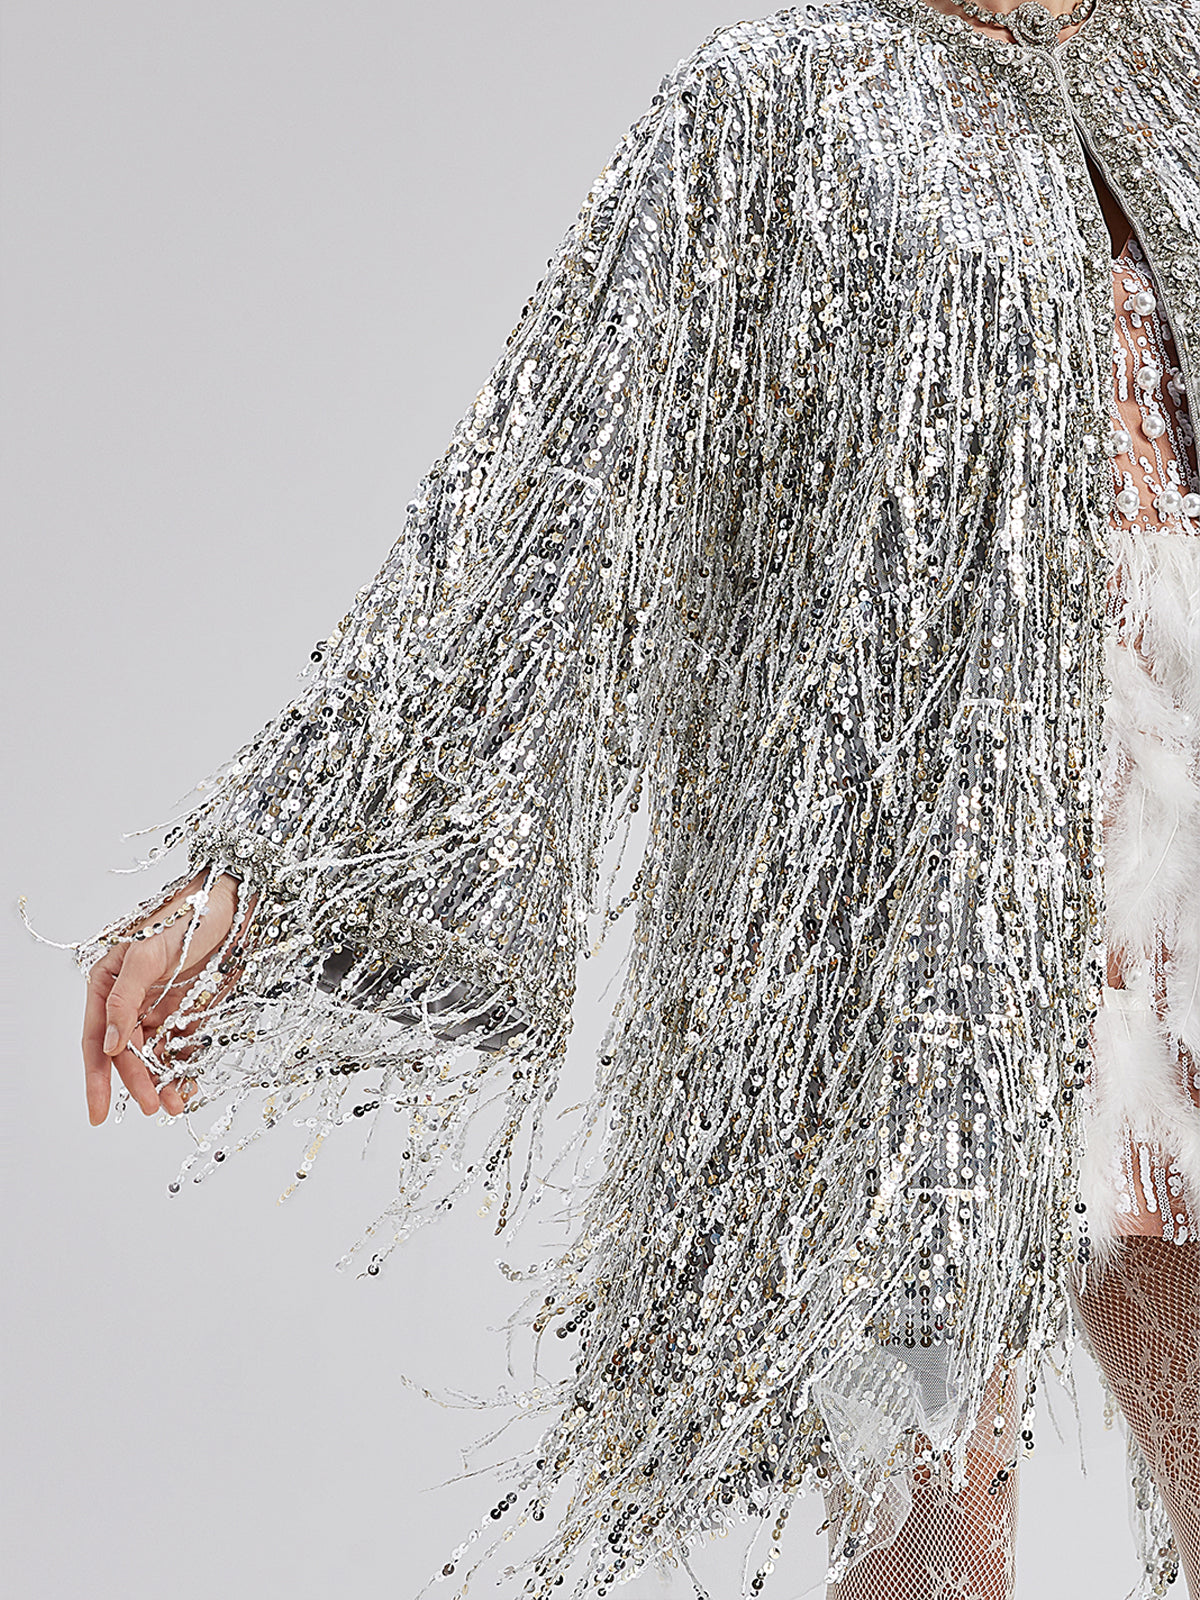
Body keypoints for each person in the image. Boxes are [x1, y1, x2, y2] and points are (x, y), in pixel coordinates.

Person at [60, 0, 1200, 1595]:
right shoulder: (776, 101)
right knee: (931, 1548)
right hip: (907, 935)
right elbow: (549, 505)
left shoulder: (1172, 72)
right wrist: (274, 867)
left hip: (1177, 881)